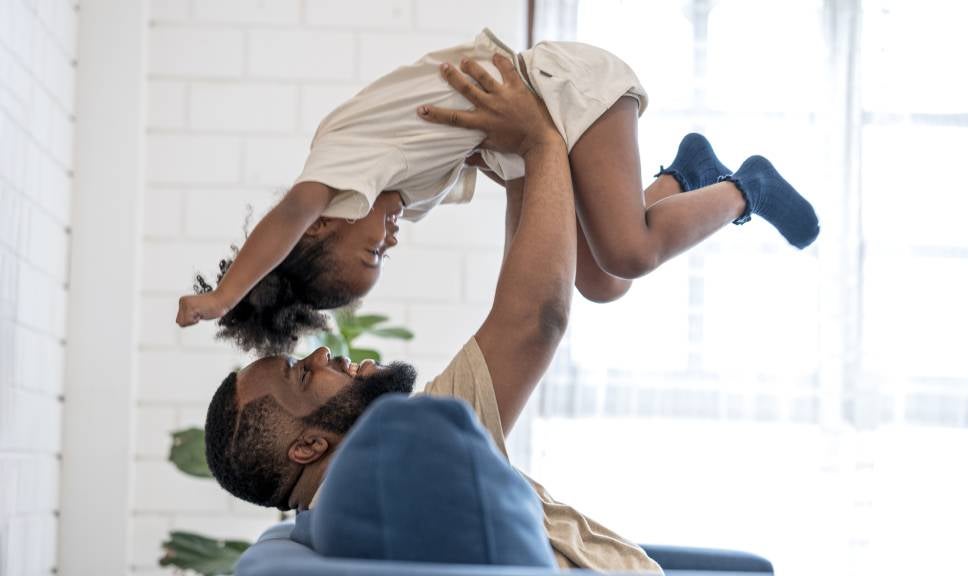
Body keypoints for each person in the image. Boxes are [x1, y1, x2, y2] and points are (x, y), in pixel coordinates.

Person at [203, 58, 662, 571]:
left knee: (611, 268)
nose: (323, 354)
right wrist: (539, 143)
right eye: (304, 375)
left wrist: (523, 167)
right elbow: (534, 318)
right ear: (309, 445)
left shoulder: (376, 478)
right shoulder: (406, 457)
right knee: (617, 262)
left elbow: (525, 304)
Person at [176, 29, 819, 356]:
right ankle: (684, 175)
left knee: (628, 253)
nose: (389, 241)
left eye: (371, 253)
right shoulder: (392, 187)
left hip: (558, 90)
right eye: (384, 258)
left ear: (320, 225)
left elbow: (289, 211)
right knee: (600, 282)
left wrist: (226, 296)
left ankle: (747, 189)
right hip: (534, 133)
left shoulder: (340, 166)